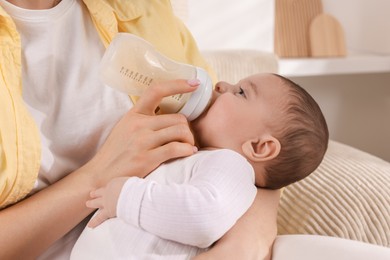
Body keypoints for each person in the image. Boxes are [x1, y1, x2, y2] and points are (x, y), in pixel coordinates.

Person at [0, 1, 280, 259]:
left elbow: (255, 155)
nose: (222, 87)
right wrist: (99, 176)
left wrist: (247, 243)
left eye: (240, 90)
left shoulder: (145, 8)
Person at [70, 73, 329, 259]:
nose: (221, 84)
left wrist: (125, 197)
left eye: (241, 92)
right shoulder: (205, 159)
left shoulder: (232, 166)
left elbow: (203, 216)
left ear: (259, 147)